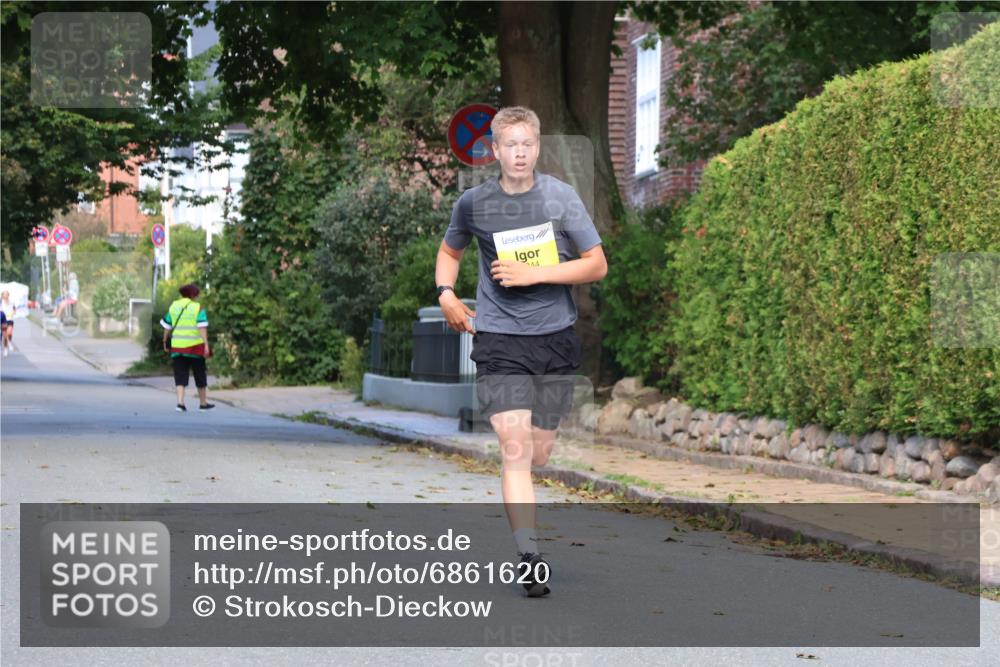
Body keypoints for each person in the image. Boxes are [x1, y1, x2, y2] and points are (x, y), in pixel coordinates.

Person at [435, 106, 607, 597]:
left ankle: (529, 505)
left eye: (527, 144)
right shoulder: (474, 203)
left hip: (554, 337)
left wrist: (538, 274)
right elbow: (450, 252)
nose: (519, 153)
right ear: (494, 149)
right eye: (509, 144)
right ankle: (529, 555)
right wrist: (447, 295)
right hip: (499, 340)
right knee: (514, 450)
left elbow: (596, 265)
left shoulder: (561, 197)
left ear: (537, 147)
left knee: (539, 452)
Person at [161, 283, 215, 412]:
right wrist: (206, 344)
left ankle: (180, 403)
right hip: (194, 348)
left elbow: (166, 326)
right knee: (200, 374)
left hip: (177, 347)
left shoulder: (174, 306)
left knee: (180, 375)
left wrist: (164, 341)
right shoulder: (197, 307)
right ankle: (203, 403)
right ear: (193, 294)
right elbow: (202, 327)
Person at [1, 290, 16, 356]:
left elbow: (14, 309)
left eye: (6, 294)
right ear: (2, 295)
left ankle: (9, 342)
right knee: (4, 336)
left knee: (9, 332)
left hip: (10, 319)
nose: (5, 295)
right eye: (4, 294)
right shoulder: (1, 302)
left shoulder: (12, 302)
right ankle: (6, 349)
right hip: (3, 320)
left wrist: (13, 312)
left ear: (8, 295)